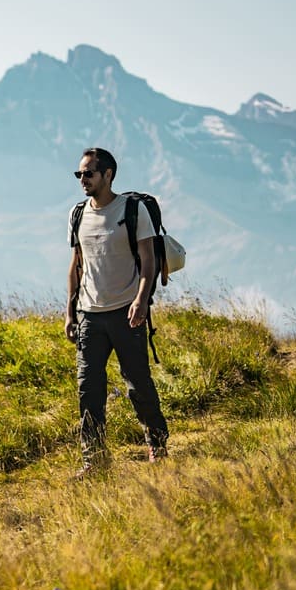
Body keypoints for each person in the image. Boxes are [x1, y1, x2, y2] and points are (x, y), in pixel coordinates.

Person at [64, 148, 169, 477]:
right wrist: (70, 311)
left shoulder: (133, 210)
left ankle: (157, 443)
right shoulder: (78, 214)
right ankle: (93, 459)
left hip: (126, 311)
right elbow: (76, 265)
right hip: (89, 315)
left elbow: (148, 260)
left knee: (137, 383)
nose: (83, 180)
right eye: (80, 174)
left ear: (108, 175)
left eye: (89, 173)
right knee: (88, 389)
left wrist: (141, 300)